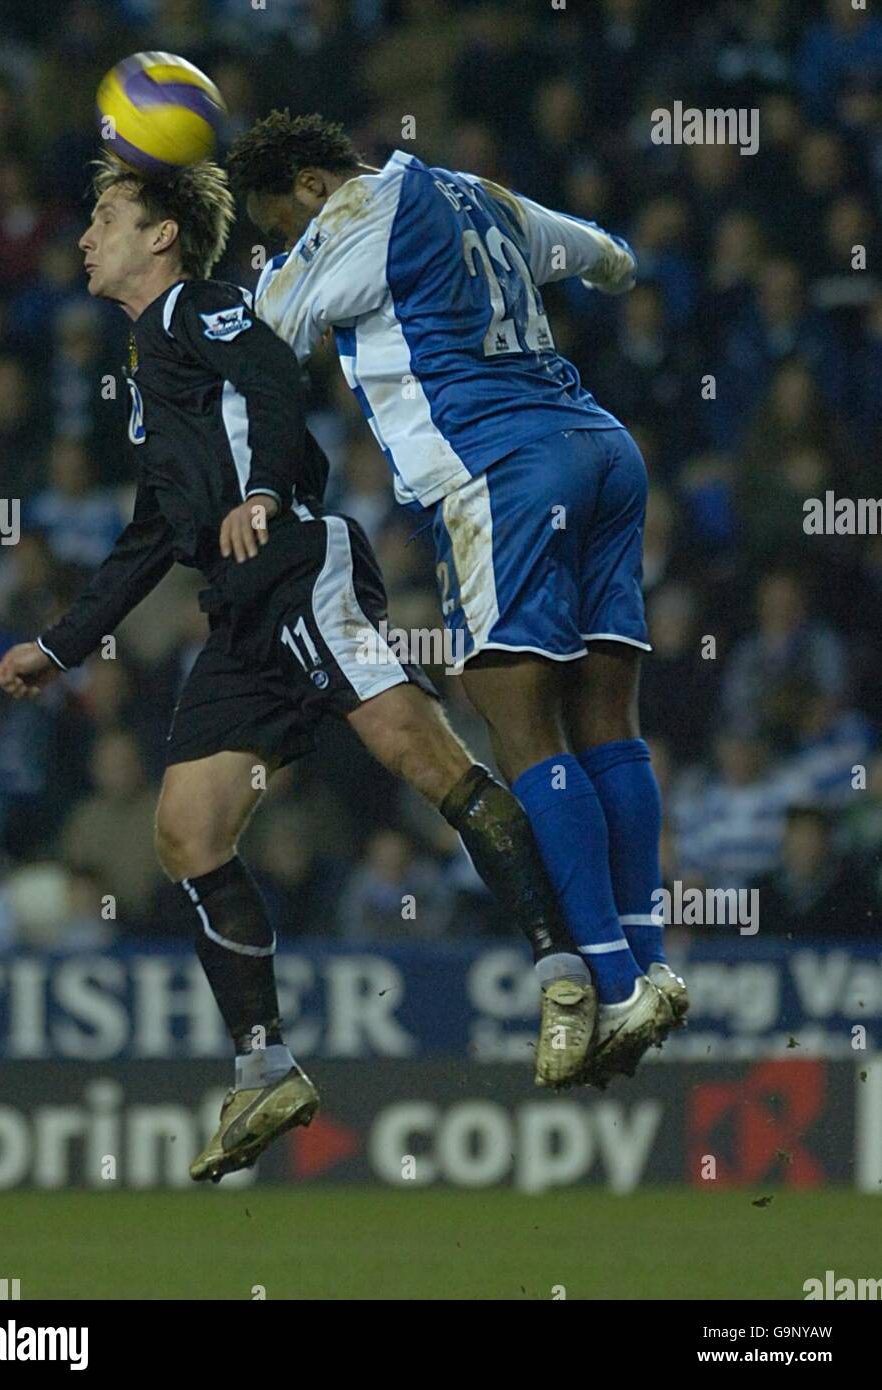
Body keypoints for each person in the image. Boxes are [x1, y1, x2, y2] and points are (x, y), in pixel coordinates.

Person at [0, 154, 608, 1185]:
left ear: (164, 237)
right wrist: (60, 645)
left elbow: (277, 377)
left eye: (108, 215)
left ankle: (566, 969)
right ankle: (266, 1066)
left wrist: (268, 491)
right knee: (186, 832)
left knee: (420, 754)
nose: (88, 234)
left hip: (294, 559)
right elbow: (154, 530)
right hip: (234, 605)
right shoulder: (148, 368)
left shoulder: (205, 308)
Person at [226, 111, 682, 1079]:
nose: (285, 240)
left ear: (312, 187)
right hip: (602, 447)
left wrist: (258, 275)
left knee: (523, 731)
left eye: (279, 221)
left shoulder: (357, 212)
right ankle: (649, 963)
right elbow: (610, 259)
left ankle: (613, 986)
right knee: (608, 719)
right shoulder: (483, 195)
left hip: (502, 472)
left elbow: (270, 328)